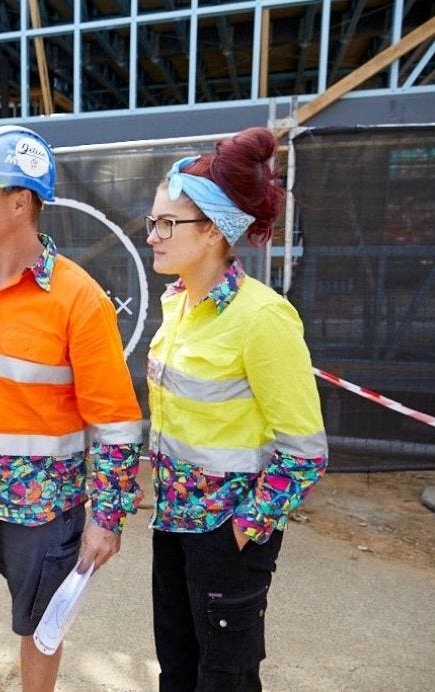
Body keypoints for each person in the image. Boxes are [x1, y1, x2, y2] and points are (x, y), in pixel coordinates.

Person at [0, 125, 144, 691]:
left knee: (41, 633)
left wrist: (105, 518)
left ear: (20, 203)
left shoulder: (78, 298)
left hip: (44, 509)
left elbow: (115, 422)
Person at [144, 127, 328, 691]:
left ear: (214, 231)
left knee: (225, 678)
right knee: (177, 670)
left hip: (225, 534)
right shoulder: (176, 305)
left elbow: (305, 454)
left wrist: (240, 530)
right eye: (152, 221)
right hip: (171, 524)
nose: (153, 235)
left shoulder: (261, 318)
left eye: (167, 224)